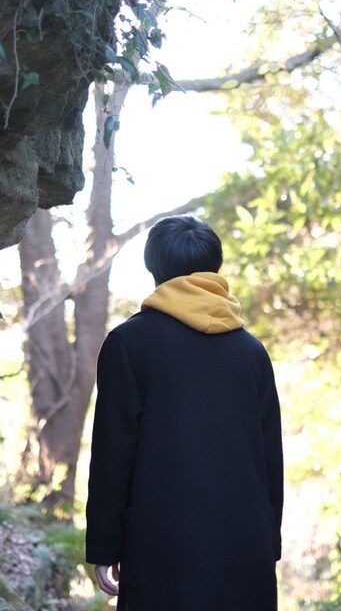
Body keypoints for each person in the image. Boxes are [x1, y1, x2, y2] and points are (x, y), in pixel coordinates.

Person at [85, 216, 284, 611]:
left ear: (153, 268)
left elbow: (113, 453)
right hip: (245, 547)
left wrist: (105, 545)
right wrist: (268, 543)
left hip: (160, 549)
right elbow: (269, 459)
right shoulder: (251, 352)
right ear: (214, 266)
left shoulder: (129, 343)